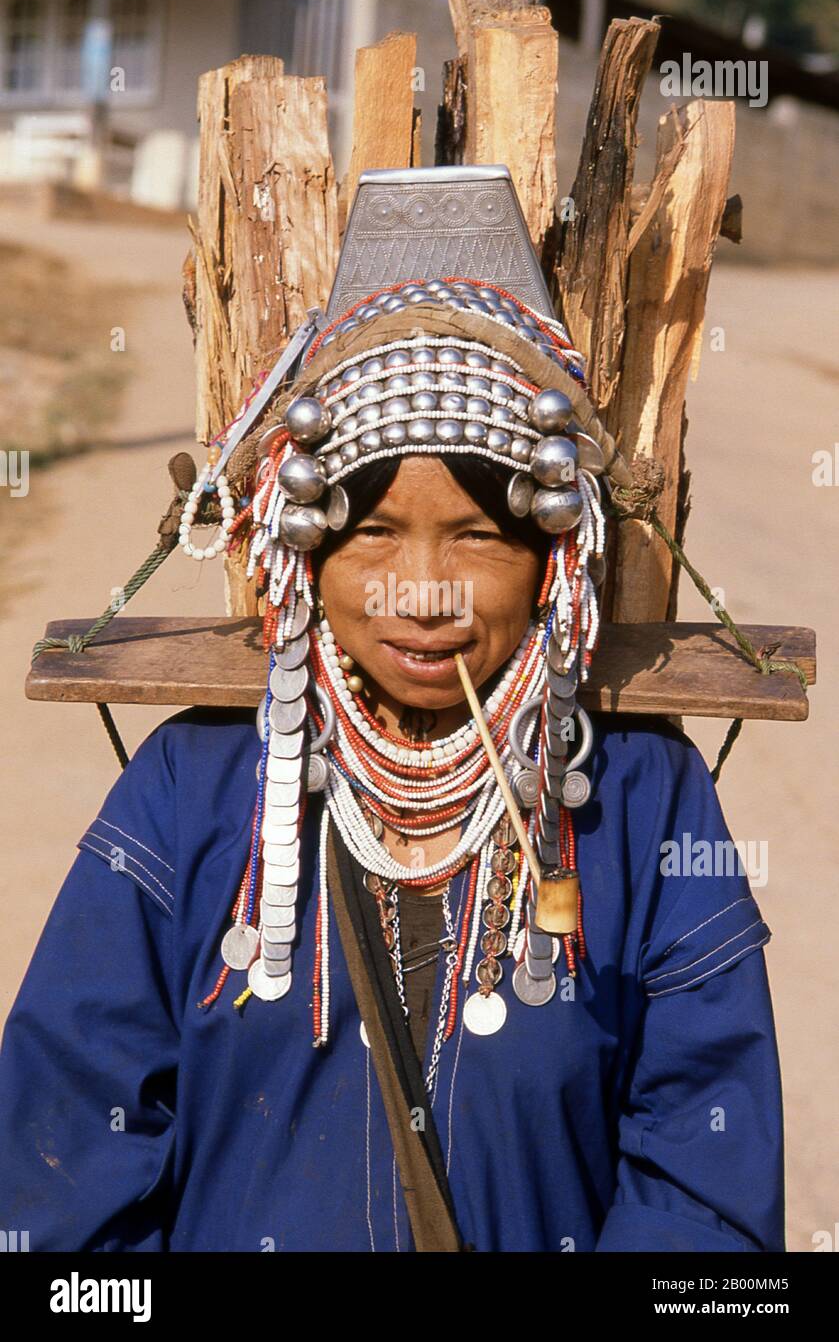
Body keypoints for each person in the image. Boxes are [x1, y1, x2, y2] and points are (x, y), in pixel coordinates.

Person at [0, 275, 784, 1253]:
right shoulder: (188, 788)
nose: (422, 592)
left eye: (477, 537)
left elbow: (700, 1182)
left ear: (550, 561)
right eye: (372, 533)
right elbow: (66, 1162)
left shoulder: (640, 800)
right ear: (306, 553)